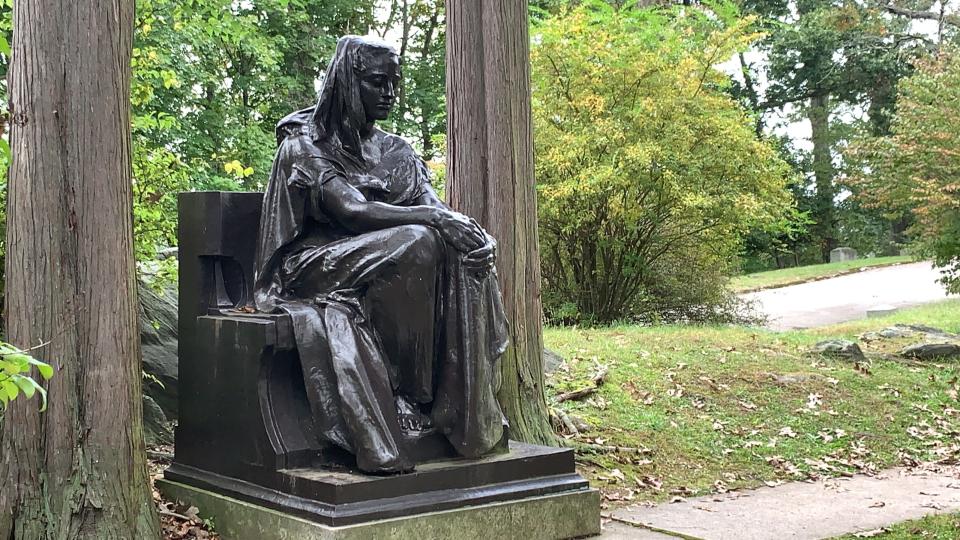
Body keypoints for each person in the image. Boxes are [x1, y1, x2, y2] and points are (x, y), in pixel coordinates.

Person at [253, 35, 509, 474]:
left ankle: (460, 405)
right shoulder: (304, 145)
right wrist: (435, 222)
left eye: (394, 82)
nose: (390, 94)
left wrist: (476, 235)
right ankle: (402, 393)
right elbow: (351, 209)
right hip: (313, 265)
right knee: (417, 240)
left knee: (454, 249)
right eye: (377, 82)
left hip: (383, 252)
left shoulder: (397, 151)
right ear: (346, 83)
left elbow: (436, 208)